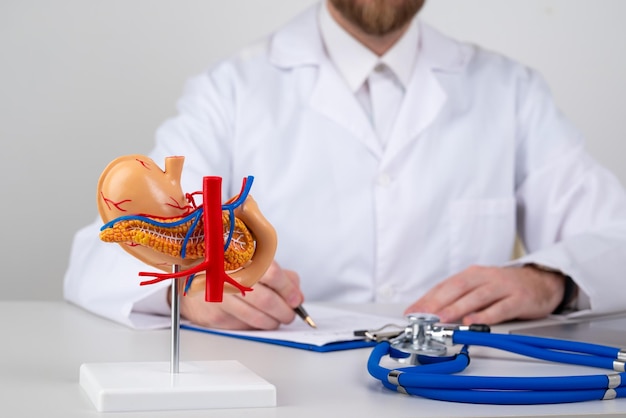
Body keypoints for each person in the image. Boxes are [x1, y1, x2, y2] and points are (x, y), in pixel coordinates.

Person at [64, 0, 626, 330]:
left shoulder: (510, 92)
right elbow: (101, 248)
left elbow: (615, 236)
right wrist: (185, 290)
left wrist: (550, 279)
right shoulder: (230, 92)